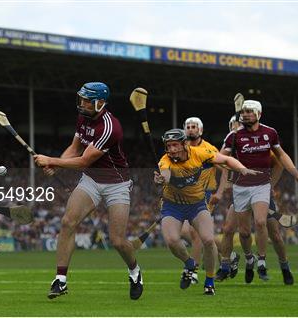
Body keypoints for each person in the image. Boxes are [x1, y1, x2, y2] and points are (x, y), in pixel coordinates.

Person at [33, 82, 143, 300]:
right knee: (67, 222)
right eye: (81, 99)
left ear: (100, 103)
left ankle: (135, 271)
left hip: (117, 184)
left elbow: (84, 160)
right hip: (92, 180)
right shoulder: (83, 117)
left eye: (86, 100)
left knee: (118, 240)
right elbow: (75, 148)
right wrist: (56, 164)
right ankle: (61, 280)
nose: (81, 103)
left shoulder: (110, 127)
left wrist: (52, 160)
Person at [154, 128, 260, 295]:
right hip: (172, 205)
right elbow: (165, 174)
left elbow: (226, 159)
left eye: (175, 145)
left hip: (197, 204)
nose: (172, 149)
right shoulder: (165, 160)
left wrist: (242, 169)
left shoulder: (200, 153)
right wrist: (162, 178)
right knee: (172, 240)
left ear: (184, 144)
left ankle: (209, 281)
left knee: (209, 241)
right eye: (169, 146)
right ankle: (189, 263)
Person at [220, 100, 298, 283]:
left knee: (267, 227)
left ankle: (277, 265)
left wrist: (296, 175)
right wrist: (230, 172)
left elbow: (281, 158)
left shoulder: (270, 133)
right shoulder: (234, 136)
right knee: (243, 233)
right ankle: (249, 259)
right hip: (241, 188)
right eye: (243, 112)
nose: (245, 114)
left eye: (249, 112)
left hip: (261, 187)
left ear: (259, 114)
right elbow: (220, 159)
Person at [181, 117, 222, 266]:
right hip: (187, 195)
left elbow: (224, 170)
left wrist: (220, 192)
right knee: (185, 232)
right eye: (188, 126)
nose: (191, 129)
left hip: (206, 195)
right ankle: (228, 253)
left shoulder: (209, 149)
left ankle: (194, 270)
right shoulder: (182, 148)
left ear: (200, 130)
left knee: (194, 233)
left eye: (194, 126)